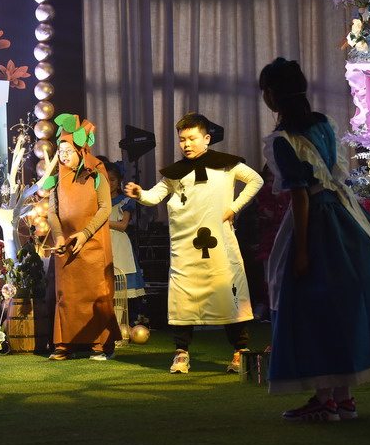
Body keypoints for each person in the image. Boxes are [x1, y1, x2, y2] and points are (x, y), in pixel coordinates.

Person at [259, 57, 370, 421]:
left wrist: (301, 251)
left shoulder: (284, 140)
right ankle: (343, 397)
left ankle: (325, 398)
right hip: (348, 217)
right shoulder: (324, 124)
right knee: (344, 306)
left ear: (272, 96)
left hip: (317, 223)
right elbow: (334, 175)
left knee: (314, 307)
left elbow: (301, 196)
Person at [124, 112, 263, 374]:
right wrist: (139, 193)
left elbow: (256, 180)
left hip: (219, 245)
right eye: (182, 139)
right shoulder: (176, 173)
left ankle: (239, 351)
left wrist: (233, 208)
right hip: (186, 247)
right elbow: (155, 196)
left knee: (228, 293)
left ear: (206, 138)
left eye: (192, 138)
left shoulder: (226, 165)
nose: (186, 144)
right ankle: (181, 352)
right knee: (183, 297)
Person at [46, 113, 122, 361]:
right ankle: (65, 343)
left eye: (68, 150)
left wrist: (86, 233)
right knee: (67, 296)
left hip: (93, 244)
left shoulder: (96, 172)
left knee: (95, 293)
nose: (63, 155)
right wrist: (59, 237)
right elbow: (52, 212)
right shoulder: (58, 178)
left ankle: (101, 344)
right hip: (66, 245)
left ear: (80, 149)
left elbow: (105, 207)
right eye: (60, 150)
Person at [104, 162, 147, 315]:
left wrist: (102, 222)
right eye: (105, 180)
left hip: (118, 243)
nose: (109, 183)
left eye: (112, 179)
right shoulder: (98, 202)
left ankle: (119, 322)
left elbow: (123, 225)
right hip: (103, 242)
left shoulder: (124, 201)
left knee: (121, 286)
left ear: (119, 181)